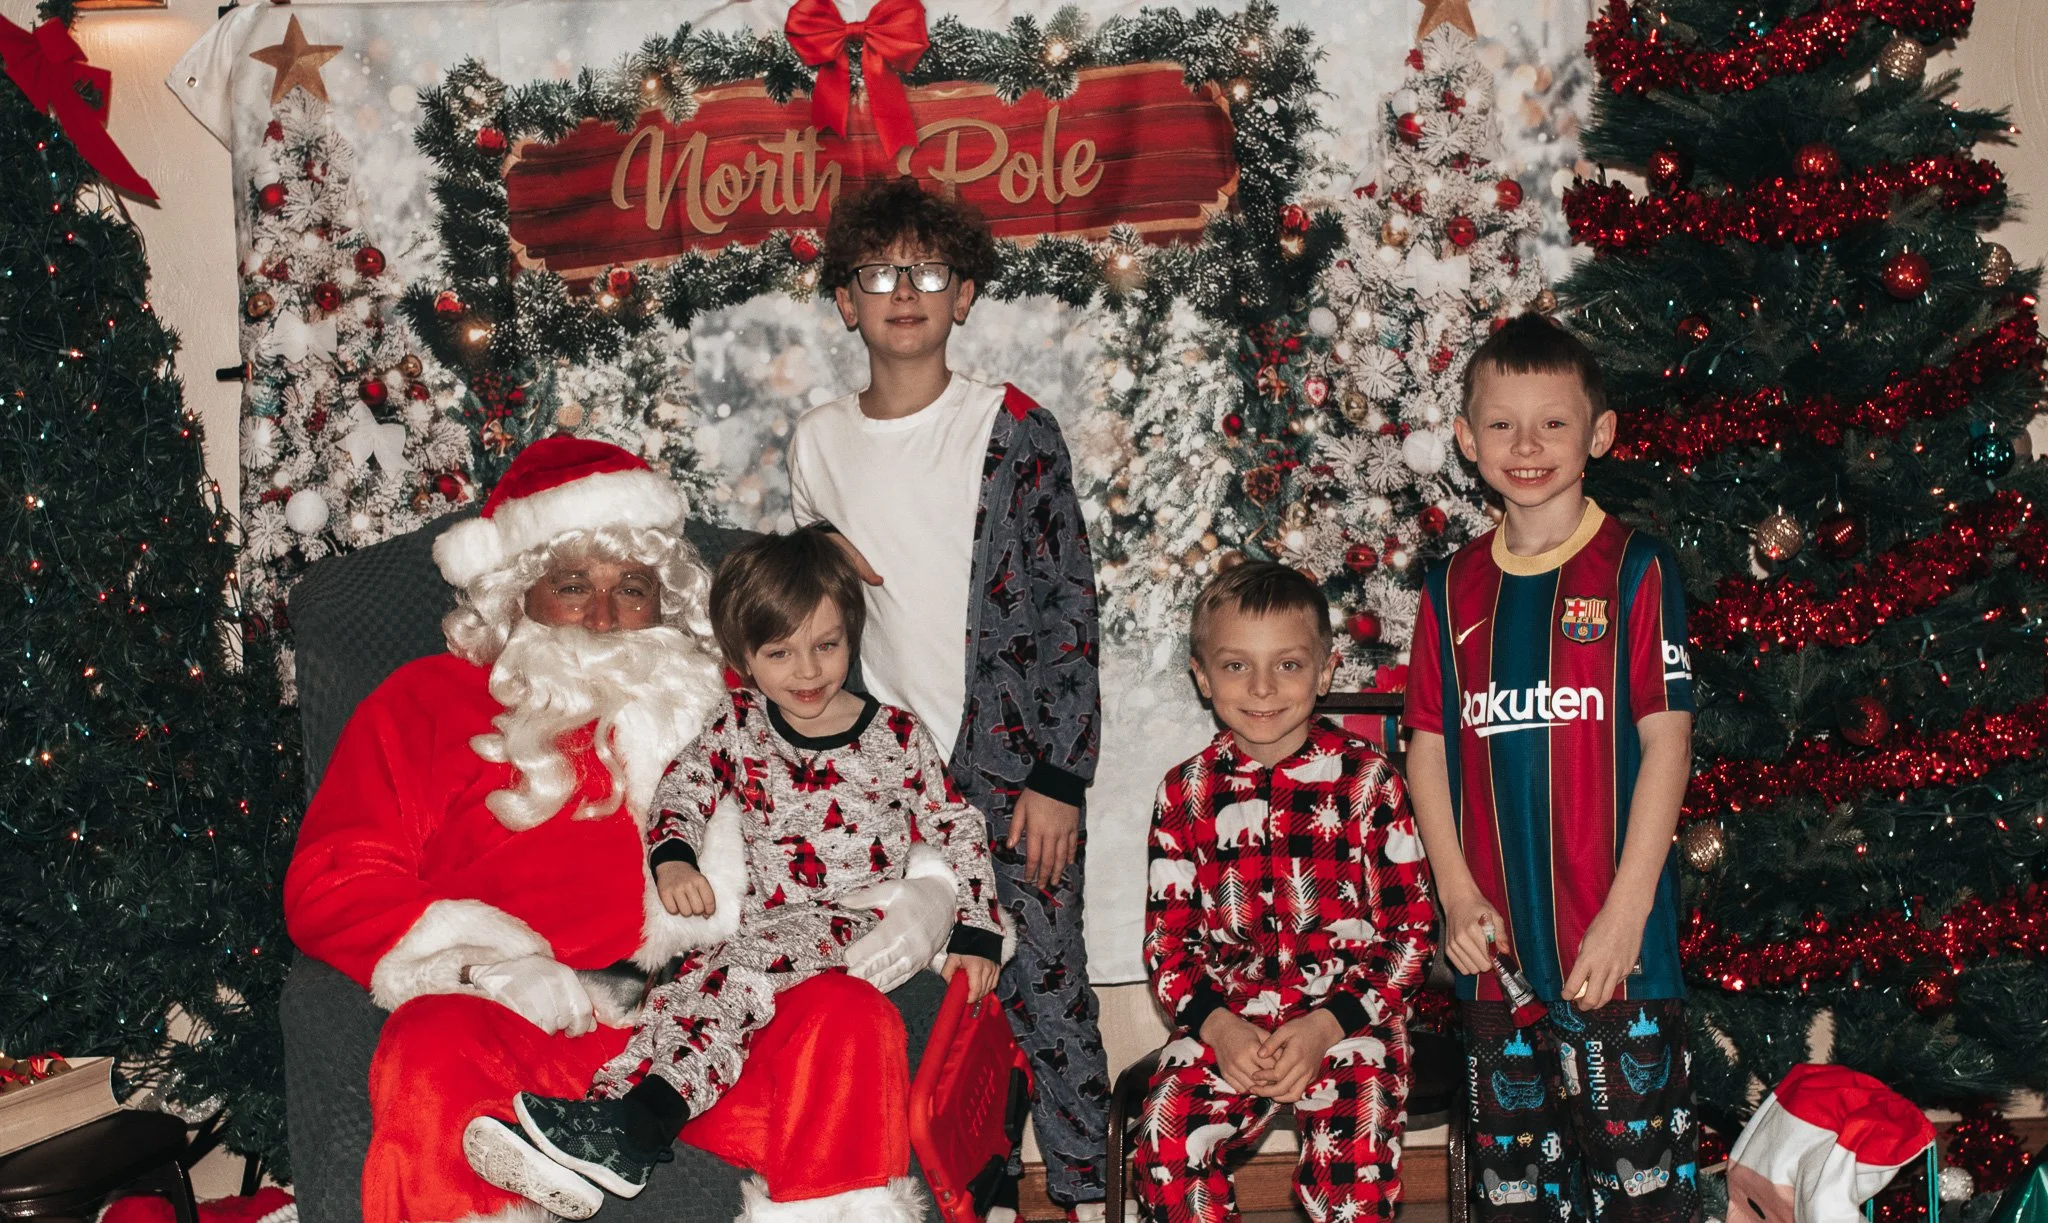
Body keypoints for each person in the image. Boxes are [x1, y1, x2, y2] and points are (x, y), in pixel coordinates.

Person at [284, 436, 961, 1223]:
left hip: (718, 1030)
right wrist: (482, 966)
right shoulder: (425, 701)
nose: (604, 618)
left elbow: (871, 798)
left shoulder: (735, 699)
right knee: (431, 1040)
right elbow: (332, 879)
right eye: (573, 587)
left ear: (664, 601)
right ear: (518, 592)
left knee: (846, 1017)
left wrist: (927, 890)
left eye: (632, 590)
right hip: (528, 1030)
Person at [494, 528, 1006, 1216]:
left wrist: (975, 927)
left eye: (827, 645)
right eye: (780, 653)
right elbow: (684, 789)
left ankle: (639, 1125)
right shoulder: (738, 724)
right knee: (682, 990)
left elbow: (955, 824)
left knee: (737, 971)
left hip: (863, 916)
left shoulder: (897, 736)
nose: (808, 671)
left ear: (851, 638)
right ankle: (605, 1123)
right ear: (743, 659)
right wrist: (673, 857)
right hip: (770, 933)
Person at [786, 177, 1110, 1220]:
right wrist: (813, 549)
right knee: (942, 998)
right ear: (846, 299)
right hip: (893, 781)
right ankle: (974, 1191)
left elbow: (1068, 607)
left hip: (1017, 772)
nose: (904, 292)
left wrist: (1060, 775)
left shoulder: (1012, 428)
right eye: (879, 273)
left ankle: (1082, 1192)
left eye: (928, 273)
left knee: (1045, 985)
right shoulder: (817, 441)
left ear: (963, 294)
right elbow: (808, 596)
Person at [1403, 314, 1699, 1223]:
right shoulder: (1449, 588)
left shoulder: (1637, 569)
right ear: (1467, 438)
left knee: (1641, 1192)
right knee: (1515, 1198)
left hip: (1616, 955)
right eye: (1502, 423)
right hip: (1493, 955)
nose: (1526, 445)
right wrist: (1456, 895)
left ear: (1598, 434)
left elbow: (1668, 741)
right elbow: (1427, 748)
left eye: (1553, 422)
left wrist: (1625, 914)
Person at [1133, 562, 1437, 1223]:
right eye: (1236, 666)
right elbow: (1168, 945)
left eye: (1289, 664)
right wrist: (1219, 1026)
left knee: (1351, 1159)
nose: (1263, 687)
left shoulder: (1369, 782)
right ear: (1202, 676)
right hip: (1228, 1017)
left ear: (1325, 671)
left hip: (1350, 1016)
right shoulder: (1184, 793)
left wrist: (1327, 1025)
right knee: (1165, 1133)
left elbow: (1412, 935)